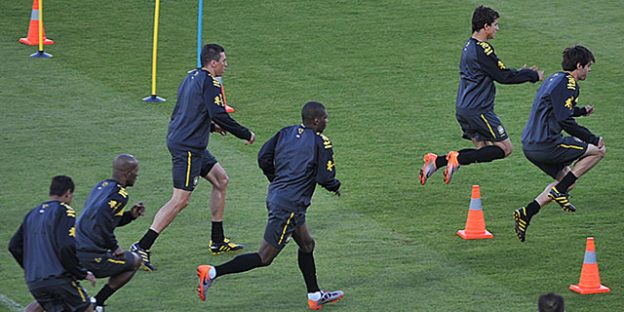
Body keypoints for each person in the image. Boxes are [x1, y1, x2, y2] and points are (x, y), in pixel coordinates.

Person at [196, 101, 344, 310]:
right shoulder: (321, 142)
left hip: (277, 196)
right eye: (326, 118)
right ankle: (212, 273)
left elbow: (264, 157)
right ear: (317, 120)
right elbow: (324, 177)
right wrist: (335, 185)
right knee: (264, 257)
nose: (327, 122)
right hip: (290, 205)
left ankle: (315, 295)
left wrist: (276, 179)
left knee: (307, 244)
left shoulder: (286, 132)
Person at [131, 43, 256, 270]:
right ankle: (141, 246)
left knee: (221, 180)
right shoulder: (210, 82)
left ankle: (217, 241)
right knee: (180, 200)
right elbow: (219, 113)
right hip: (187, 147)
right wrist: (245, 133)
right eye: (224, 61)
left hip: (189, 141)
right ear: (213, 63)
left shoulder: (191, 77)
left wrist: (210, 127)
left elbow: (189, 111)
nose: (226, 65)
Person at [419, 5, 544, 185]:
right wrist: (532, 76)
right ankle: (457, 159)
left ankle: (437, 161)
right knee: (505, 148)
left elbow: (497, 71)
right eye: (495, 24)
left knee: (484, 150)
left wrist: (520, 72)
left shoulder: (468, 46)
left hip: (463, 107)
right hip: (479, 110)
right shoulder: (483, 49)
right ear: (485, 26)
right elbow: (503, 76)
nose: (497, 29)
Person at [514, 45, 605, 242]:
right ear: (579, 65)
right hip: (546, 144)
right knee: (598, 151)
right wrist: (592, 138)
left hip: (529, 145)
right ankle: (557, 191)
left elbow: (558, 109)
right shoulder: (570, 84)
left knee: (567, 181)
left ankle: (526, 213)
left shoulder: (555, 78)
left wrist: (580, 111)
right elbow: (564, 119)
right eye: (588, 66)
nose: (589, 70)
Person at [8, 176, 97, 312]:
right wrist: (80, 273)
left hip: (35, 282)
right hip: (59, 279)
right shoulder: (65, 211)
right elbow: (65, 245)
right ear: (67, 193)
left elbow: (13, 246)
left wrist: (31, 268)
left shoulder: (32, 214)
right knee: (87, 308)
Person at [75, 154, 145, 311]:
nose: (137, 174)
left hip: (73, 248)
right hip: (90, 255)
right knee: (135, 261)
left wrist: (130, 216)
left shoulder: (102, 186)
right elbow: (102, 219)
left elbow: (104, 219)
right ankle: (98, 302)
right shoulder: (119, 195)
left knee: (51, 292)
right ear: (127, 173)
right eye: (135, 170)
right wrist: (114, 247)